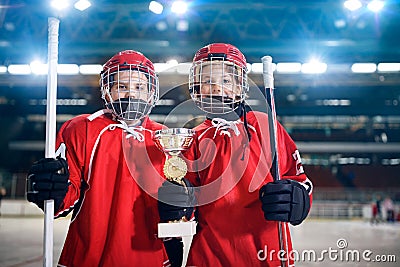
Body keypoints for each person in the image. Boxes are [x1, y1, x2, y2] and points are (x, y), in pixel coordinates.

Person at [158, 43, 313, 267]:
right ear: (197, 88)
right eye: (208, 81)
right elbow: (187, 203)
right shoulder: (194, 138)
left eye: (226, 81)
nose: (217, 88)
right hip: (209, 256)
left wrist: (298, 198)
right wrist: (177, 203)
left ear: (240, 86)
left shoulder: (267, 126)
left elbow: (300, 180)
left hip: (266, 254)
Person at [26, 50, 172, 266]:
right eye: (121, 86)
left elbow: (173, 198)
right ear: (107, 91)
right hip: (89, 252)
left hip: (148, 253)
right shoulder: (80, 128)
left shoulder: (165, 136)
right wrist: (54, 191)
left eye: (139, 87)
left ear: (151, 93)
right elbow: (68, 193)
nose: (131, 94)